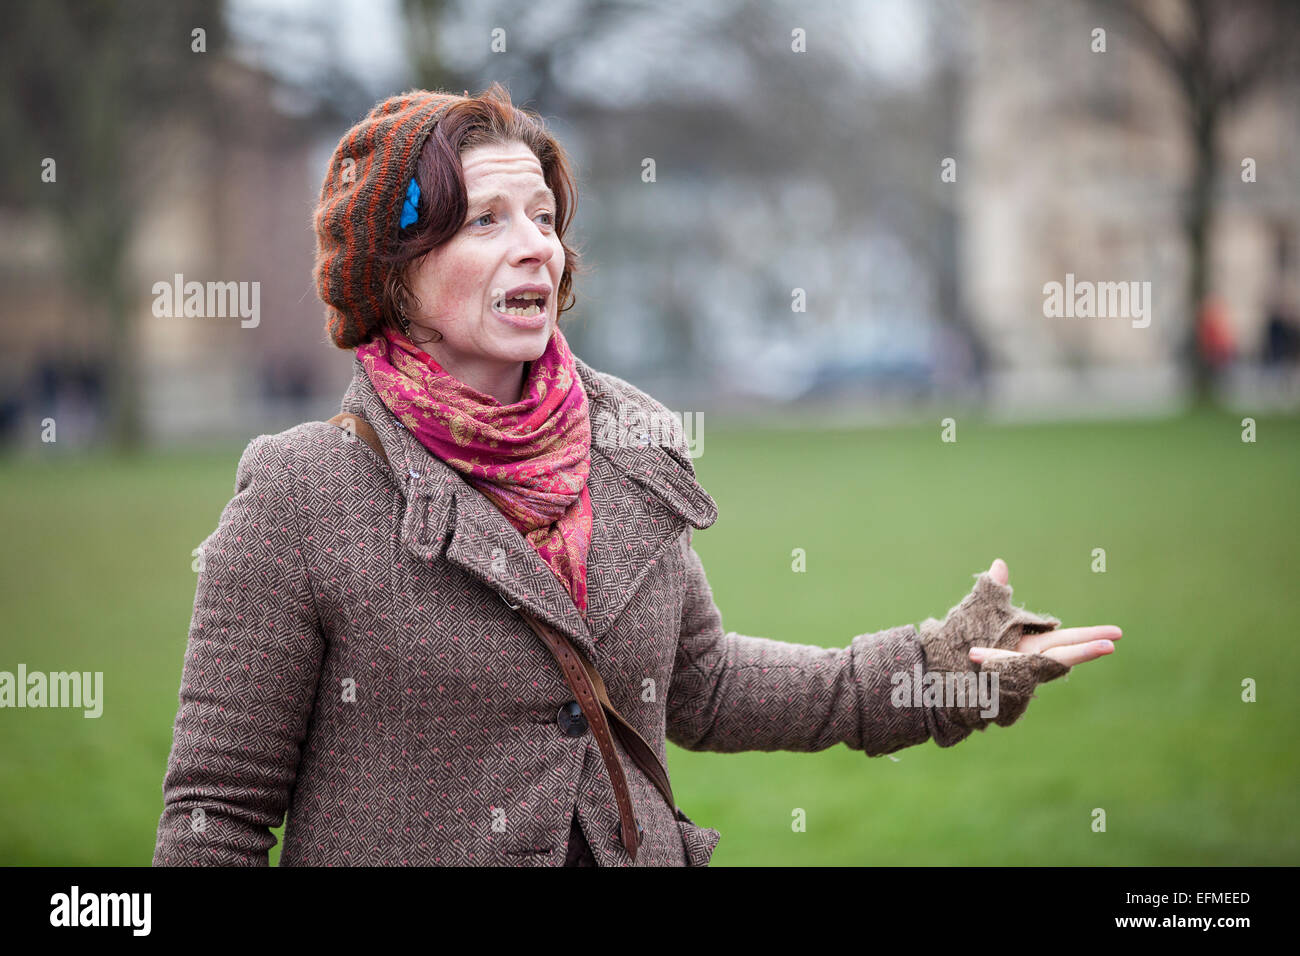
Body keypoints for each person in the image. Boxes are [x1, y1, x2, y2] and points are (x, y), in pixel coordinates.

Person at [152, 84, 1121, 867]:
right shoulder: (300, 494)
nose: (533, 241)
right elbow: (214, 815)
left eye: (542, 215)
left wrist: (931, 672)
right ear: (394, 274)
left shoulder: (628, 443)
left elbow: (704, 682)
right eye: (485, 219)